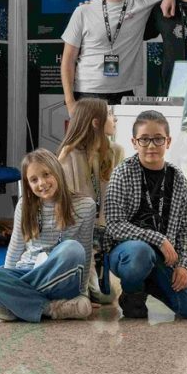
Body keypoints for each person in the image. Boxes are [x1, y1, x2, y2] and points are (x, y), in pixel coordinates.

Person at [0, 149, 95, 322]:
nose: (42, 183)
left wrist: (83, 293)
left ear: (57, 171)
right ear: (28, 184)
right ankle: (50, 308)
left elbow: (86, 252)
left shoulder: (86, 205)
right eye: (34, 180)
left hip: (61, 278)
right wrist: (8, 275)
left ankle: (14, 303)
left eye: (46, 174)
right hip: (27, 269)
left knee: (72, 248)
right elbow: (15, 249)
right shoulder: (24, 205)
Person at [104, 110, 187, 320]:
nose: (151, 145)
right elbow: (114, 225)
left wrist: (184, 266)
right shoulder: (122, 173)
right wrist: (158, 238)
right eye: (144, 139)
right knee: (140, 253)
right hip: (127, 254)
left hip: (164, 259)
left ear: (168, 141)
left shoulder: (179, 180)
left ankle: (150, 282)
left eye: (158, 139)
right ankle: (133, 294)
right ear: (134, 143)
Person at [60, 0, 162, 112]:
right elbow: (68, 60)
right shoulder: (83, 11)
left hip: (125, 95)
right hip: (88, 94)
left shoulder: (142, 3)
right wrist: (70, 102)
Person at [57, 98, 126, 305]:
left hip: (108, 226)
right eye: (110, 114)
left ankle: (92, 277)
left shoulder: (116, 151)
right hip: (79, 226)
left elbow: (120, 196)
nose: (114, 119)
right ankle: (85, 281)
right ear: (96, 122)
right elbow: (65, 201)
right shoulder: (69, 154)